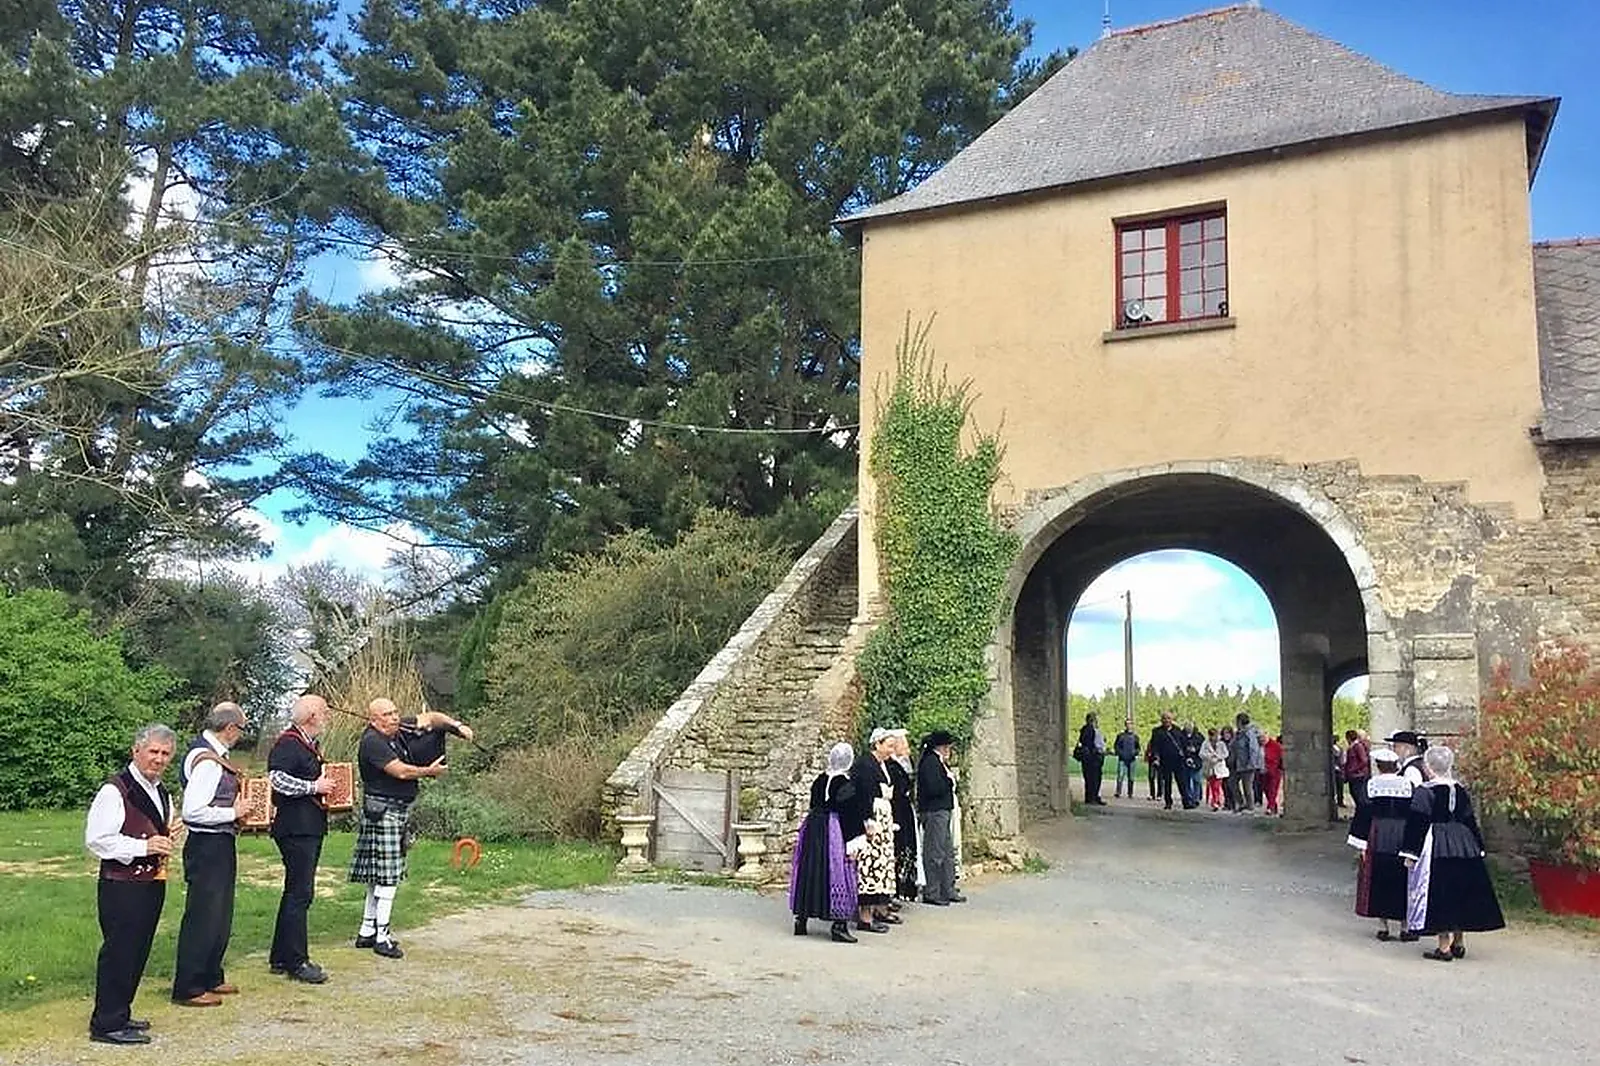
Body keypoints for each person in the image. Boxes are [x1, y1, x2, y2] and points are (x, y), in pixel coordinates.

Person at [349, 699, 472, 958]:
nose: (395, 717)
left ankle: (366, 931)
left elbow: (433, 717)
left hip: (392, 811)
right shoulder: (373, 742)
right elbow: (401, 772)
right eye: (387, 715)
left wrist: (457, 727)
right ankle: (382, 937)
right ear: (374, 720)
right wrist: (429, 771)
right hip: (383, 812)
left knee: (377, 876)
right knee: (388, 876)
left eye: (395, 712)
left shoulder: (398, 728)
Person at [86, 724, 177, 1045]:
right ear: (136, 751)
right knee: (120, 950)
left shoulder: (161, 791)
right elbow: (97, 839)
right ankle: (106, 1024)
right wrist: (144, 847)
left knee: (138, 950)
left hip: (151, 882)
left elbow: (157, 829)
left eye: (165, 753)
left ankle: (120, 1012)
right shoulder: (116, 789)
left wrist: (168, 835)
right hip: (121, 884)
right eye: (153, 751)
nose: (159, 759)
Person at [171, 702, 247, 1007]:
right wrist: (234, 811)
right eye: (241, 729)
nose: (241, 735)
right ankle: (188, 986)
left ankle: (210, 975)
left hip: (218, 842)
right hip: (207, 845)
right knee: (203, 915)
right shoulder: (207, 761)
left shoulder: (213, 755)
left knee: (220, 912)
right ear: (230, 728)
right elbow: (192, 812)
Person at [1401, 745, 1505, 961]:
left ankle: (1444, 947)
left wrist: (1410, 853)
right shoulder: (1460, 789)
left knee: (1442, 890)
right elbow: (1469, 819)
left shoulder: (1425, 791)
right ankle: (1459, 941)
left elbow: (1417, 822)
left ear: (1429, 767)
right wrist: (1479, 845)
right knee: (1461, 888)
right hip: (1464, 842)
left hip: (1437, 843)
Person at [267, 695, 336, 983]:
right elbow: (276, 779)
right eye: (324, 712)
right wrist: (313, 786)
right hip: (296, 828)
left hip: (309, 825)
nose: (327, 717)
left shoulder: (308, 745)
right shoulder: (288, 743)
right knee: (300, 893)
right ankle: (297, 961)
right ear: (311, 716)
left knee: (295, 891)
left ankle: (281, 956)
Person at [790, 742, 861, 943]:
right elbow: (849, 814)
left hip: (813, 826)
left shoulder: (819, 780)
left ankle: (801, 920)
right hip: (833, 827)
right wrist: (854, 841)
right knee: (837, 870)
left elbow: (814, 804)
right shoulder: (846, 785)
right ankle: (839, 925)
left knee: (810, 869)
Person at [1346, 748, 1416, 943]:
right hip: (1402, 834)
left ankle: (1383, 926)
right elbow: (1414, 814)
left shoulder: (1370, 785)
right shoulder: (1408, 785)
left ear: (1378, 766)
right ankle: (1405, 926)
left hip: (1378, 834)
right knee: (1402, 877)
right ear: (1396, 766)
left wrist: (1361, 845)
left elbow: (1363, 815)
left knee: (1378, 876)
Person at [848, 728, 900, 931]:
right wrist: (867, 819)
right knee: (869, 866)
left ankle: (879, 907)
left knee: (882, 864)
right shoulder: (864, 764)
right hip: (873, 817)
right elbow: (861, 794)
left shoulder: (883, 765)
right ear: (877, 744)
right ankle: (865, 916)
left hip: (883, 818)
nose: (891, 750)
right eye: (889, 746)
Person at [917, 730, 963, 906]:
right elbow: (933, 788)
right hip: (934, 810)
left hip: (943, 810)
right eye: (948, 747)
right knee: (935, 852)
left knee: (947, 851)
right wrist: (949, 782)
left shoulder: (940, 762)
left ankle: (947, 888)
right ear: (942, 747)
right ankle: (932, 891)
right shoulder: (930, 763)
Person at [884, 729, 920, 903]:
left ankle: (906, 887)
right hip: (896, 808)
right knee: (898, 846)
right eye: (903, 744)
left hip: (905, 807)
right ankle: (896, 889)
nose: (907, 748)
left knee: (907, 845)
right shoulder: (891, 766)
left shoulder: (905, 762)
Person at [1230, 713, 1263, 813]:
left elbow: (1253, 749)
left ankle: (1250, 807)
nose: (1236, 723)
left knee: (1247, 786)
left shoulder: (1249, 733)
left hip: (1248, 764)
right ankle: (1241, 803)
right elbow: (1233, 746)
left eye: (1237, 721)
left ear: (1240, 722)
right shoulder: (1239, 733)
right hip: (1238, 764)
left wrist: (1251, 764)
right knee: (1232, 782)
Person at [1151, 712, 1184, 810]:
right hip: (1165, 761)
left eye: (1168, 718)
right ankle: (1168, 802)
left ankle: (1186, 801)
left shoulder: (1177, 730)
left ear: (1172, 719)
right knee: (1167, 783)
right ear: (1161, 720)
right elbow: (1154, 746)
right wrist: (1156, 758)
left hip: (1177, 760)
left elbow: (1182, 744)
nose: (1166, 720)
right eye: (1164, 718)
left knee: (1181, 782)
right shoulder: (1157, 731)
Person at [1075, 712, 1107, 805]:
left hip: (1086, 757)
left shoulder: (1084, 729)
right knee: (1094, 778)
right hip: (1093, 757)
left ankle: (1090, 797)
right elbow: (1094, 744)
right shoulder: (1092, 730)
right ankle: (1093, 797)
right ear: (1093, 720)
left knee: (1089, 778)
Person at [1200, 727, 1230, 811]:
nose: (1214, 737)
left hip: (1219, 767)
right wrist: (1209, 757)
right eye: (1212, 736)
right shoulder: (1205, 744)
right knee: (1212, 785)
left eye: (1216, 735)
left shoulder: (1221, 744)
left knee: (1217, 785)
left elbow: (1226, 754)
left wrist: (1219, 757)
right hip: (1210, 768)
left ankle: (1215, 802)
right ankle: (1216, 801)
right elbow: (1201, 754)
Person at [1343, 729, 1372, 811]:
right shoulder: (1351, 747)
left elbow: (1364, 760)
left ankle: (1361, 813)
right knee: (1353, 793)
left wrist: (1353, 769)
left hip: (1359, 776)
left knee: (1359, 795)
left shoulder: (1358, 746)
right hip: (1353, 776)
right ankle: (1359, 812)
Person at [1178, 722, 1204, 809]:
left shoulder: (1199, 736)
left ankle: (1196, 798)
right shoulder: (1181, 736)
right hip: (1185, 761)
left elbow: (1203, 747)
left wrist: (1196, 749)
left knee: (1197, 781)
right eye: (1186, 727)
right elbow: (1179, 747)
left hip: (1197, 761)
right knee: (1187, 781)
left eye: (1190, 727)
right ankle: (1189, 799)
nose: (1188, 728)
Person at [1112, 723, 1140, 798]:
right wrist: (1120, 753)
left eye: (1130, 724)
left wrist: (1135, 753)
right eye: (1127, 724)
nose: (1129, 726)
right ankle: (1118, 792)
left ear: (1132, 725)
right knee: (1120, 776)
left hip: (1132, 759)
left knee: (1131, 777)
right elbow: (1116, 746)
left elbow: (1138, 748)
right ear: (1125, 725)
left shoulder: (1135, 737)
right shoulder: (1121, 736)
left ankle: (1130, 793)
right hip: (1122, 759)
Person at [1262, 734, 1284, 815]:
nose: (1262, 740)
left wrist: (1280, 768)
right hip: (1264, 771)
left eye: (1263, 738)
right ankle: (1273, 805)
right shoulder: (1260, 746)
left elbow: (1281, 757)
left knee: (1272, 790)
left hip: (1275, 771)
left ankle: (1270, 807)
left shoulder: (1276, 746)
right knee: (1266, 789)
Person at [1218, 725, 1239, 811]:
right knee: (1224, 786)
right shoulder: (1220, 743)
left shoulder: (1234, 742)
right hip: (1223, 766)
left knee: (1232, 785)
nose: (1226, 735)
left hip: (1232, 766)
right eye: (1225, 733)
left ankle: (1234, 803)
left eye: (1228, 733)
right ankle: (1227, 803)